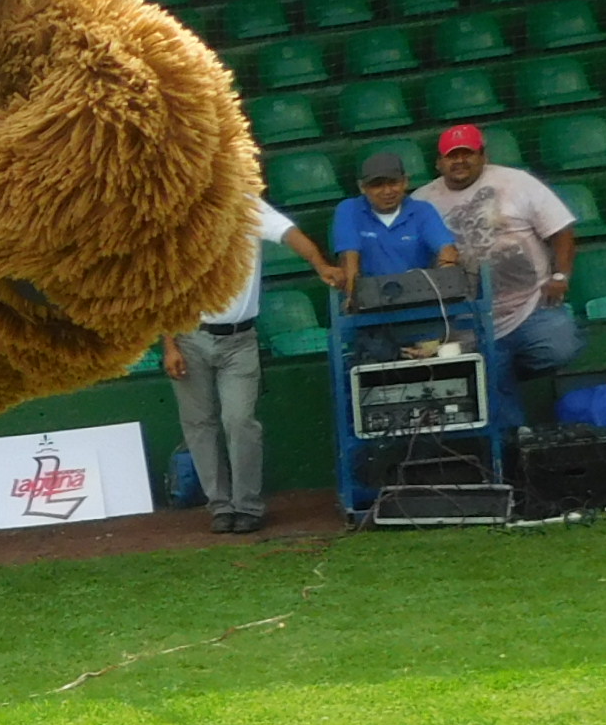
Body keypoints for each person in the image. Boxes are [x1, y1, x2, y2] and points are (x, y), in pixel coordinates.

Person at [164, 197, 334, 535]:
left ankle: (248, 506)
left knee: (240, 420)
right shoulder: (177, 212)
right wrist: (169, 345)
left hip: (240, 338)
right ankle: (220, 506)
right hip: (189, 335)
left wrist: (319, 262)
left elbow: (289, 234)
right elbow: (164, 286)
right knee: (199, 424)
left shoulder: (245, 203)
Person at [422, 123, 580, 427]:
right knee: (490, 369)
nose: (459, 161)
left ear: (483, 155)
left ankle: (500, 368)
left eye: (467, 154)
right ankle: (515, 448)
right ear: (439, 163)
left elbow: (562, 230)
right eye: (451, 156)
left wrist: (561, 276)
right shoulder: (423, 202)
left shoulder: (517, 182)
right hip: (467, 318)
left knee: (562, 347)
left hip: (530, 305)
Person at [327, 149, 457, 292]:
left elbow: (446, 249)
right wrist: (352, 296)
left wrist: (448, 283)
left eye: (393, 183)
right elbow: (348, 256)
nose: (387, 191)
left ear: (405, 182)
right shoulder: (349, 209)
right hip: (369, 298)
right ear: (362, 187)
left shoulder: (422, 210)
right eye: (377, 185)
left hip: (420, 295)